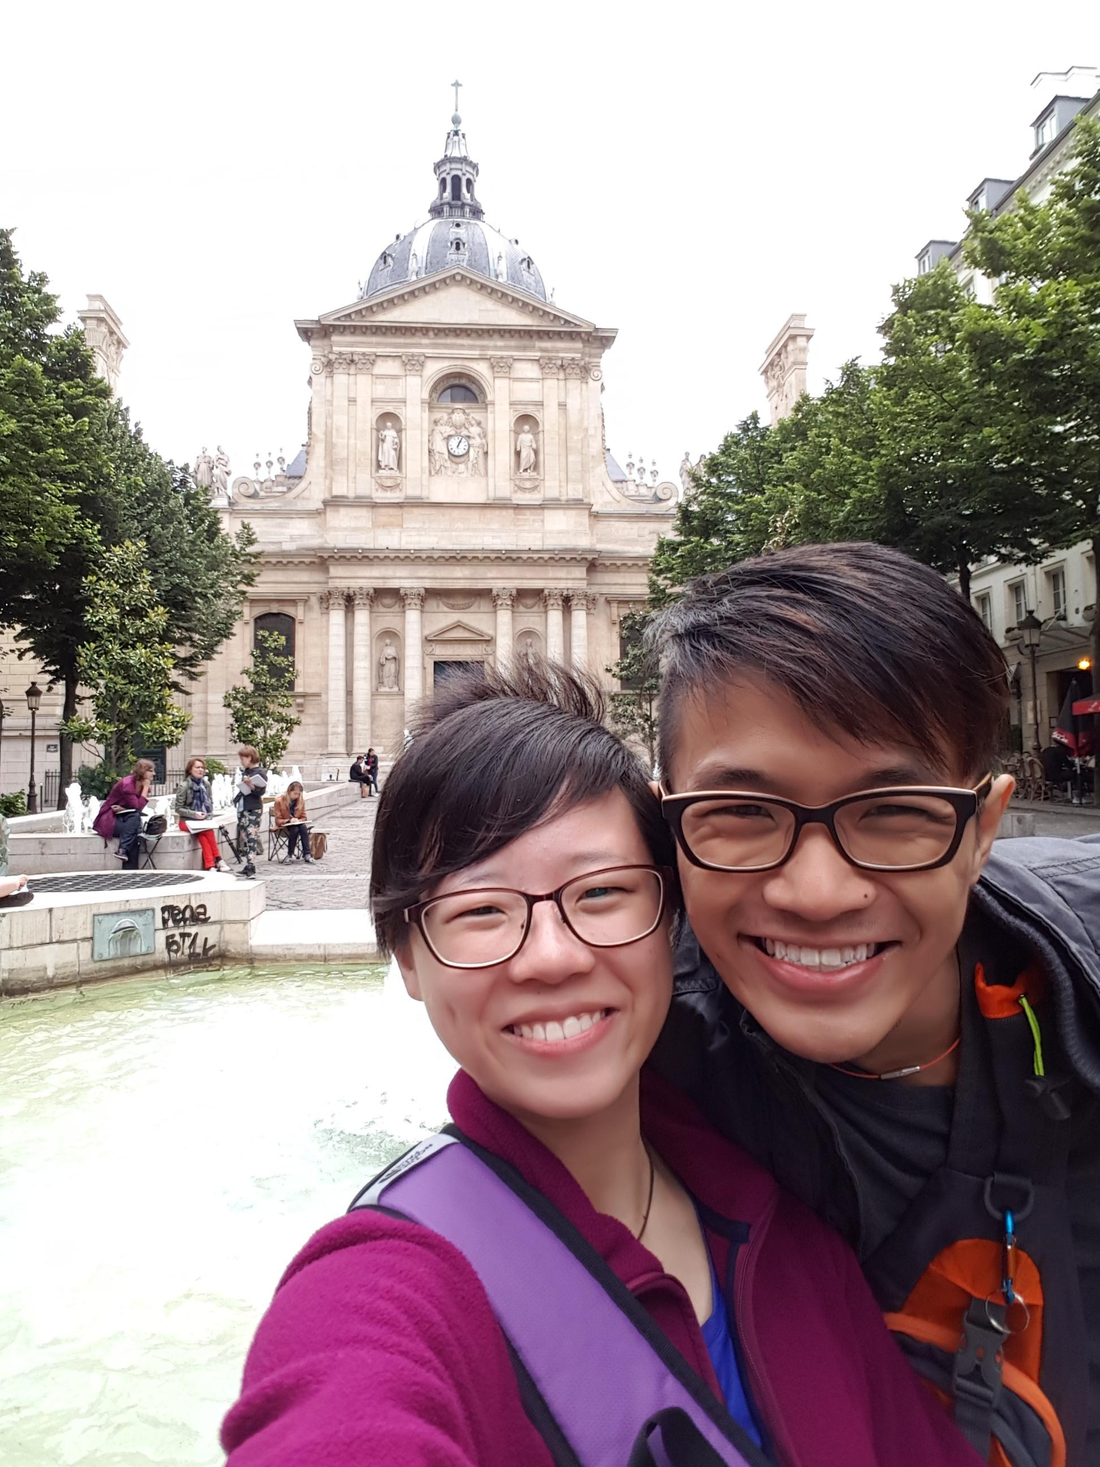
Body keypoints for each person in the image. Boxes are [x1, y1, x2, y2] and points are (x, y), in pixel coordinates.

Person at [221, 663, 982, 1467]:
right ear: (407, 957)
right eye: (480, 909)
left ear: (669, 915)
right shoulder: (386, 1289)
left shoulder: (788, 1219)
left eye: (602, 893)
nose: (552, 957)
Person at [647, 541, 1100, 1467]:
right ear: (671, 828)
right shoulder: (634, 1061)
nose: (818, 893)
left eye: (893, 811)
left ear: (983, 827)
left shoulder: (1081, 985)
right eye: (743, 813)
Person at [93, 759, 154, 869]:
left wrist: (124, 808)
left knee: (134, 828)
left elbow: (135, 807)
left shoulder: (142, 785)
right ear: (142, 772)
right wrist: (145, 788)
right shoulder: (128, 784)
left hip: (125, 818)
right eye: (151, 771)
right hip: (109, 819)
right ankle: (125, 856)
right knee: (134, 825)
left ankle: (126, 861)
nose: (153, 774)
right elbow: (138, 807)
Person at [173, 757, 228, 872]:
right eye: (197, 767)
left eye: (202, 767)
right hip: (186, 821)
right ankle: (218, 859)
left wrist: (207, 817)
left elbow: (210, 804)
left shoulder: (206, 784)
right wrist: (194, 814)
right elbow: (178, 809)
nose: (200, 770)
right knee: (206, 831)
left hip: (202, 821)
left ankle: (210, 865)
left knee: (204, 834)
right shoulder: (184, 786)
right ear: (190, 770)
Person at [234, 747, 267, 879]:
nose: (241, 761)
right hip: (243, 808)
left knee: (252, 837)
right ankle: (248, 864)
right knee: (246, 837)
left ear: (249, 758)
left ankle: (251, 867)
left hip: (253, 808)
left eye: (243, 758)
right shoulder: (246, 772)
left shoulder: (260, 772)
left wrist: (250, 785)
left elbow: (261, 792)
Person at [272, 781, 313, 862]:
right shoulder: (279, 801)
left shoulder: (300, 801)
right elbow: (278, 820)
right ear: (289, 792)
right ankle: (290, 854)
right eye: (295, 793)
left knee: (302, 827)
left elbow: (304, 817)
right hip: (284, 826)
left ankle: (307, 854)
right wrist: (289, 820)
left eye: (298, 794)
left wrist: (298, 820)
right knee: (295, 828)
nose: (296, 796)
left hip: (297, 825)